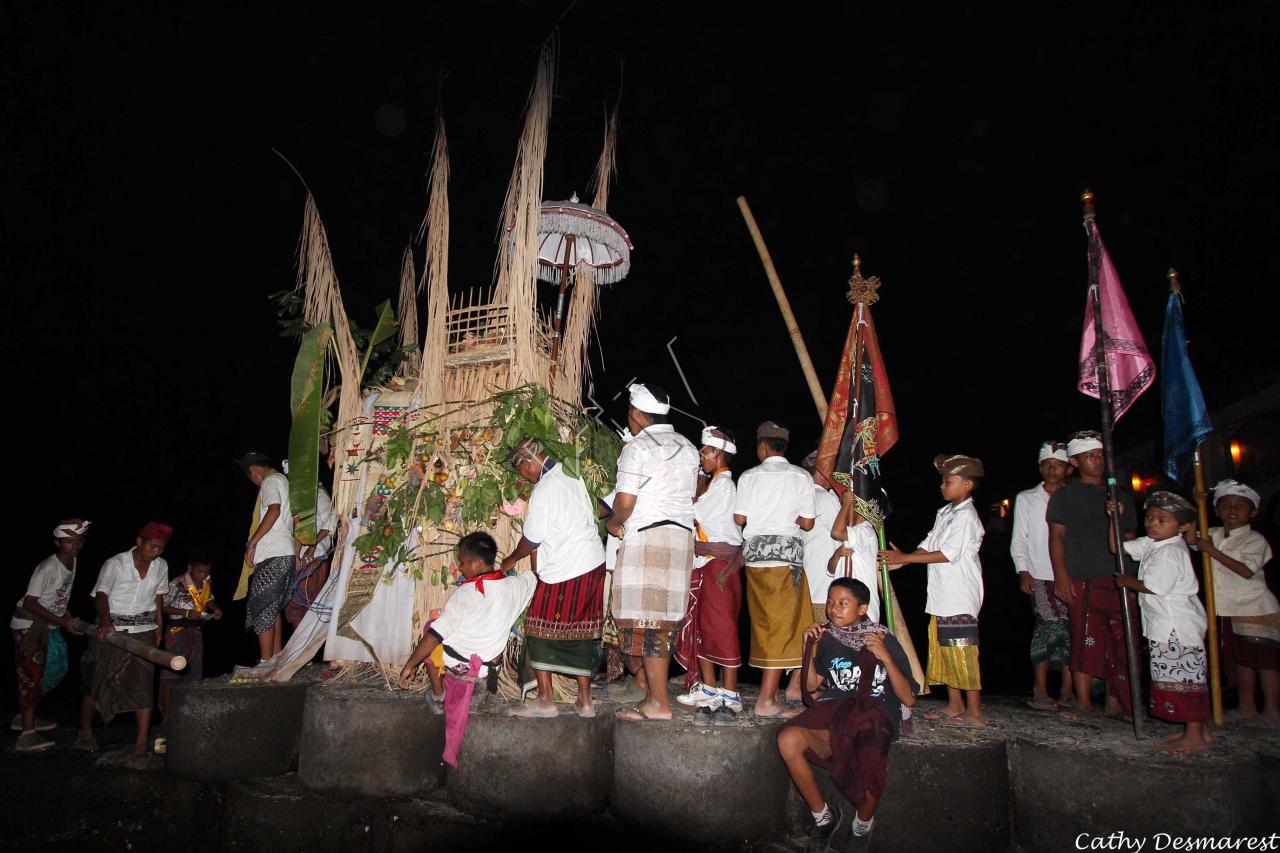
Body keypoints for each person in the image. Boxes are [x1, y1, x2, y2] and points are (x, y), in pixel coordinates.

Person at [777, 578, 917, 853]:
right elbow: (810, 686)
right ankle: (823, 818)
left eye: (843, 603)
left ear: (862, 608)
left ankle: (861, 827)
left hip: (875, 711)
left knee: (870, 753)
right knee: (788, 739)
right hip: (836, 709)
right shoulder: (828, 639)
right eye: (830, 603)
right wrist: (809, 646)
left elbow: (909, 697)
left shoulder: (883, 638)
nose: (834, 609)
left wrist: (886, 658)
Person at [606, 383, 699, 722]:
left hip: (648, 537)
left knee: (647, 620)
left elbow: (626, 503)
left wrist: (613, 522)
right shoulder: (689, 447)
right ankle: (654, 696)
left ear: (635, 414)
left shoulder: (638, 447)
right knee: (661, 620)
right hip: (680, 538)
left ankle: (659, 703)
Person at [501, 438, 607, 718]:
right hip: (593, 563)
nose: (522, 476)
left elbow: (532, 540)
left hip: (567, 568)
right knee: (583, 631)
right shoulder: (572, 475)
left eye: (520, 470)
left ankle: (546, 700)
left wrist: (511, 559)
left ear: (528, 463)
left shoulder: (544, 490)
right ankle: (585, 702)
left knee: (537, 627)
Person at [880, 454, 986, 728]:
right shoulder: (946, 513)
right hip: (941, 596)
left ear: (967, 485)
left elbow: (946, 554)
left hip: (959, 596)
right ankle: (954, 704)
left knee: (962, 652)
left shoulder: (967, 517)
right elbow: (927, 547)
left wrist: (906, 558)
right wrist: (902, 560)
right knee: (944, 650)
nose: (942, 486)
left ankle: (974, 711)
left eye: (948, 481)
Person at [1046, 431, 1138, 721]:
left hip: (1117, 577)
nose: (1098, 461)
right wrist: (1061, 576)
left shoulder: (1119, 495)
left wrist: (1133, 578)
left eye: (1101, 456)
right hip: (1080, 576)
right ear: (1075, 461)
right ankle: (1083, 701)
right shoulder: (1065, 495)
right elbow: (1056, 538)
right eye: (1091, 456)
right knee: (1084, 638)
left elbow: (1132, 538)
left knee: (1120, 641)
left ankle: (1116, 701)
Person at [1110, 491, 1211, 753]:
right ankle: (1197, 731)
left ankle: (1195, 735)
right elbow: (1117, 547)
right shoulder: (1154, 544)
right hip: (1164, 627)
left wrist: (1127, 582)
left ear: (1182, 526)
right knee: (1179, 679)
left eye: (1162, 519)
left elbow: (1156, 586)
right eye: (1150, 517)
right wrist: (1115, 519)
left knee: (1185, 681)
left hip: (1176, 627)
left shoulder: (1171, 552)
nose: (1153, 523)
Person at [734, 421, 816, 718]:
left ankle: (771, 695)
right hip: (787, 559)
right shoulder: (800, 477)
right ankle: (767, 699)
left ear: (763, 446)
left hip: (756, 560)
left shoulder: (749, 476)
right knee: (784, 627)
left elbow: (740, 518)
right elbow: (807, 523)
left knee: (766, 626)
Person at [398, 532, 537, 697]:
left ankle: (438, 695)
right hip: (489, 667)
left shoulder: (464, 594)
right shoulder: (514, 587)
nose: (460, 568)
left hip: (458, 663)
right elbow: (535, 577)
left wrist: (410, 664)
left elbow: (435, 636)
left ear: (477, 563)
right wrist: (531, 552)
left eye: (462, 562)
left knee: (431, 628)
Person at [77, 522, 173, 760]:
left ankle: (141, 741)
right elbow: (101, 594)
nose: (155, 552)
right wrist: (105, 621)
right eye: (152, 546)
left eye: (160, 548)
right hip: (113, 629)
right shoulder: (116, 564)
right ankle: (86, 730)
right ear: (139, 542)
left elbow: (159, 597)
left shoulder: (161, 566)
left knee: (143, 684)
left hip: (145, 629)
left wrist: (160, 626)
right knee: (96, 680)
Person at [674, 426, 745, 721]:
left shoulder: (724, 486)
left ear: (717, 454)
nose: (701, 457)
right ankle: (708, 688)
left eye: (704, 452)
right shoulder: (714, 483)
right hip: (705, 562)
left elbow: (695, 512)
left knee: (723, 628)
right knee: (703, 626)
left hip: (719, 565)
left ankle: (730, 693)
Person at [1198, 479, 1277, 727]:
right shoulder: (1213, 533)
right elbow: (1190, 535)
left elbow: (1245, 571)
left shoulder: (1255, 540)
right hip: (1228, 609)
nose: (1232, 509)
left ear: (1253, 511)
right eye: (1226, 504)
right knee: (1242, 661)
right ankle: (1247, 707)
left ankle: (1273, 710)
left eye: (1240, 505)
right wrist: (1197, 504)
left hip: (1255, 608)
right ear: (1217, 509)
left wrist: (1212, 552)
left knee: (1265, 662)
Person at [11, 519, 89, 752]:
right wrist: (62, 621)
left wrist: (66, 615)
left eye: (78, 542)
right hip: (29, 625)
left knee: (57, 668)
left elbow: (59, 596)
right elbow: (30, 601)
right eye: (68, 542)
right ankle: (26, 734)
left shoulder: (72, 560)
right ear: (57, 543)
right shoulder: (48, 567)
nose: (73, 547)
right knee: (31, 676)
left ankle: (25, 713)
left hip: (51, 623)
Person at [1010, 441, 1076, 710]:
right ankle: (1040, 688)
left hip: (1073, 575)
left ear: (1068, 469)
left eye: (1058, 464)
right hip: (1039, 573)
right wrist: (1023, 571)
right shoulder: (1027, 498)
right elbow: (1019, 538)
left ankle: (1068, 691)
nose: (1052, 469)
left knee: (1071, 632)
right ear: (1040, 467)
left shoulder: (1075, 497)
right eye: (1047, 464)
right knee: (1047, 630)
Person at [786, 450, 842, 702]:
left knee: (804, 631)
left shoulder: (797, 495)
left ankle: (796, 684)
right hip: (821, 578)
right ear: (821, 471)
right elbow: (842, 533)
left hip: (800, 576)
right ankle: (799, 686)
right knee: (817, 635)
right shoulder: (825, 499)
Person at [238, 451, 295, 662]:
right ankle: (276, 657)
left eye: (249, 475)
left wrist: (252, 543)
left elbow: (274, 510)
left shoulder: (270, 481)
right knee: (272, 606)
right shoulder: (284, 481)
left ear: (253, 471)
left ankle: (264, 662)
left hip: (273, 552)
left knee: (262, 607)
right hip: (284, 551)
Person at [158, 553, 223, 724]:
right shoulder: (176, 584)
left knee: (194, 672)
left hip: (196, 631)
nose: (203, 575)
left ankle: (188, 712)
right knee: (171, 673)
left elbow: (209, 600)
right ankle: (166, 715)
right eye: (199, 572)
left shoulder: (206, 581)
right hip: (176, 631)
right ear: (189, 568)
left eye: (206, 572)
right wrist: (185, 612)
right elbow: (162, 607)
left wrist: (215, 609)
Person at [287, 480, 336, 628]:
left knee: (308, 607)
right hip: (297, 559)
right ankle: (299, 649)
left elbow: (332, 519)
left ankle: (308, 648)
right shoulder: (296, 497)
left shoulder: (318, 493)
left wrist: (313, 543)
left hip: (312, 559)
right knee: (295, 610)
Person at [827, 491, 881, 625]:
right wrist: (837, 554)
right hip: (843, 607)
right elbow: (830, 570)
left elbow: (836, 532)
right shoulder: (850, 536)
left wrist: (846, 504)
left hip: (859, 609)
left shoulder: (865, 532)